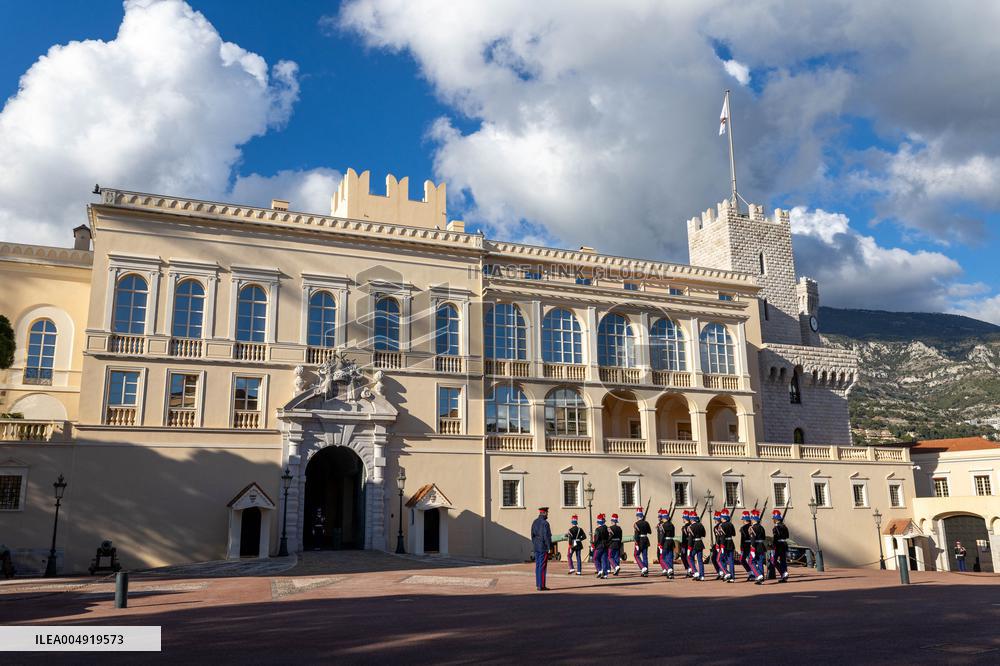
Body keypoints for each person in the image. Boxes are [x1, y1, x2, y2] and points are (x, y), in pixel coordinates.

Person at [531, 507, 553, 591]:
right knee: (542, 566)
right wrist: (549, 547)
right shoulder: (545, 523)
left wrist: (535, 544)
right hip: (543, 547)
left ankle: (538, 584)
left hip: (536, 546)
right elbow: (546, 536)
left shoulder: (535, 522)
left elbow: (532, 535)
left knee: (537, 566)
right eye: (547, 513)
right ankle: (541, 585)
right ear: (544, 513)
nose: (547, 514)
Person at [771, 509, 790, 582]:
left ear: (776, 519)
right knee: (783, 561)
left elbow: (776, 538)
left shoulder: (776, 527)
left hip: (778, 545)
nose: (773, 520)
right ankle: (784, 575)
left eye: (773, 519)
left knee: (774, 561)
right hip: (784, 544)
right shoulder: (784, 526)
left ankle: (783, 573)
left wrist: (773, 545)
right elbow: (787, 536)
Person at [749, 510, 767, 585]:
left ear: (753, 519)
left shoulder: (752, 528)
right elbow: (763, 537)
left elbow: (753, 539)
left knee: (750, 562)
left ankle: (758, 574)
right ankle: (761, 578)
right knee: (760, 562)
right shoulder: (762, 527)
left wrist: (752, 549)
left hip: (755, 546)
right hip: (761, 546)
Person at [633, 507, 652, 576]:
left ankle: (643, 568)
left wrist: (636, 543)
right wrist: (645, 525)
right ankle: (646, 571)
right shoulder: (646, 523)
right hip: (645, 540)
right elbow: (650, 532)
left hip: (640, 540)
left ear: (638, 516)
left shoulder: (636, 524)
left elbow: (636, 534)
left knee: (636, 555)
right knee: (645, 556)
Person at [656, 509, 676, 578]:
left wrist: (660, 544)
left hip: (665, 543)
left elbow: (662, 536)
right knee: (670, 557)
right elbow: (673, 535)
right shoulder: (672, 525)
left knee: (663, 558)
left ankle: (669, 569)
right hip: (671, 542)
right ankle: (670, 573)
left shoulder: (663, 526)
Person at [720, 509, 737, 582]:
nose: (721, 518)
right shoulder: (731, 524)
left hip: (725, 544)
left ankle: (726, 573)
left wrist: (722, 546)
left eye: (721, 517)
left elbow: (723, 537)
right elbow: (734, 534)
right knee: (731, 561)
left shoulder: (722, 525)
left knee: (721, 559)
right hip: (731, 542)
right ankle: (732, 577)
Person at [689, 512, 707, 581]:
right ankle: (702, 576)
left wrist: (689, 547)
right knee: (700, 560)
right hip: (700, 543)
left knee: (690, 557)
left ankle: (695, 572)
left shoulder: (691, 527)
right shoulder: (700, 525)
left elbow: (690, 538)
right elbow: (704, 535)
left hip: (694, 544)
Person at [593, 514, 610, 579]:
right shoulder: (607, 528)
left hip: (599, 546)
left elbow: (596, 539)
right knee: (604, 560)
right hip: (605, 546)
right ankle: (605, 574)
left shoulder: (598, 529)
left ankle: (599, 570)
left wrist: (594, 545)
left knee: (595, 558)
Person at [739, 511, 754, 581]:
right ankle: (753, 573)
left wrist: (741, 547)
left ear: (745, 520)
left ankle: (751, 573)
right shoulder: (752, 526)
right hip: (752, 545)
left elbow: (743, 539)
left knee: (742, 560)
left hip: (745, 546)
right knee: (751, 560)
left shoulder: (743, 528)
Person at [711, 511, 724, 579]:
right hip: (721, 544)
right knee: (716, 559)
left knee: (717, 559)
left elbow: (718, 537)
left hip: (719, 545)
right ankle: (721, 572)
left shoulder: (717, 527)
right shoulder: (722, 525)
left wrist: (717, 545)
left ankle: (722, 572)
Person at [680, 511, 693, 577]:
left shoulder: (687, 527)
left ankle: (690, 569)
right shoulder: (687, 526)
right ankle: (689, 569)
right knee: (685, 557)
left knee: (686, 557)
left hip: (686, 544)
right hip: (686, 544)